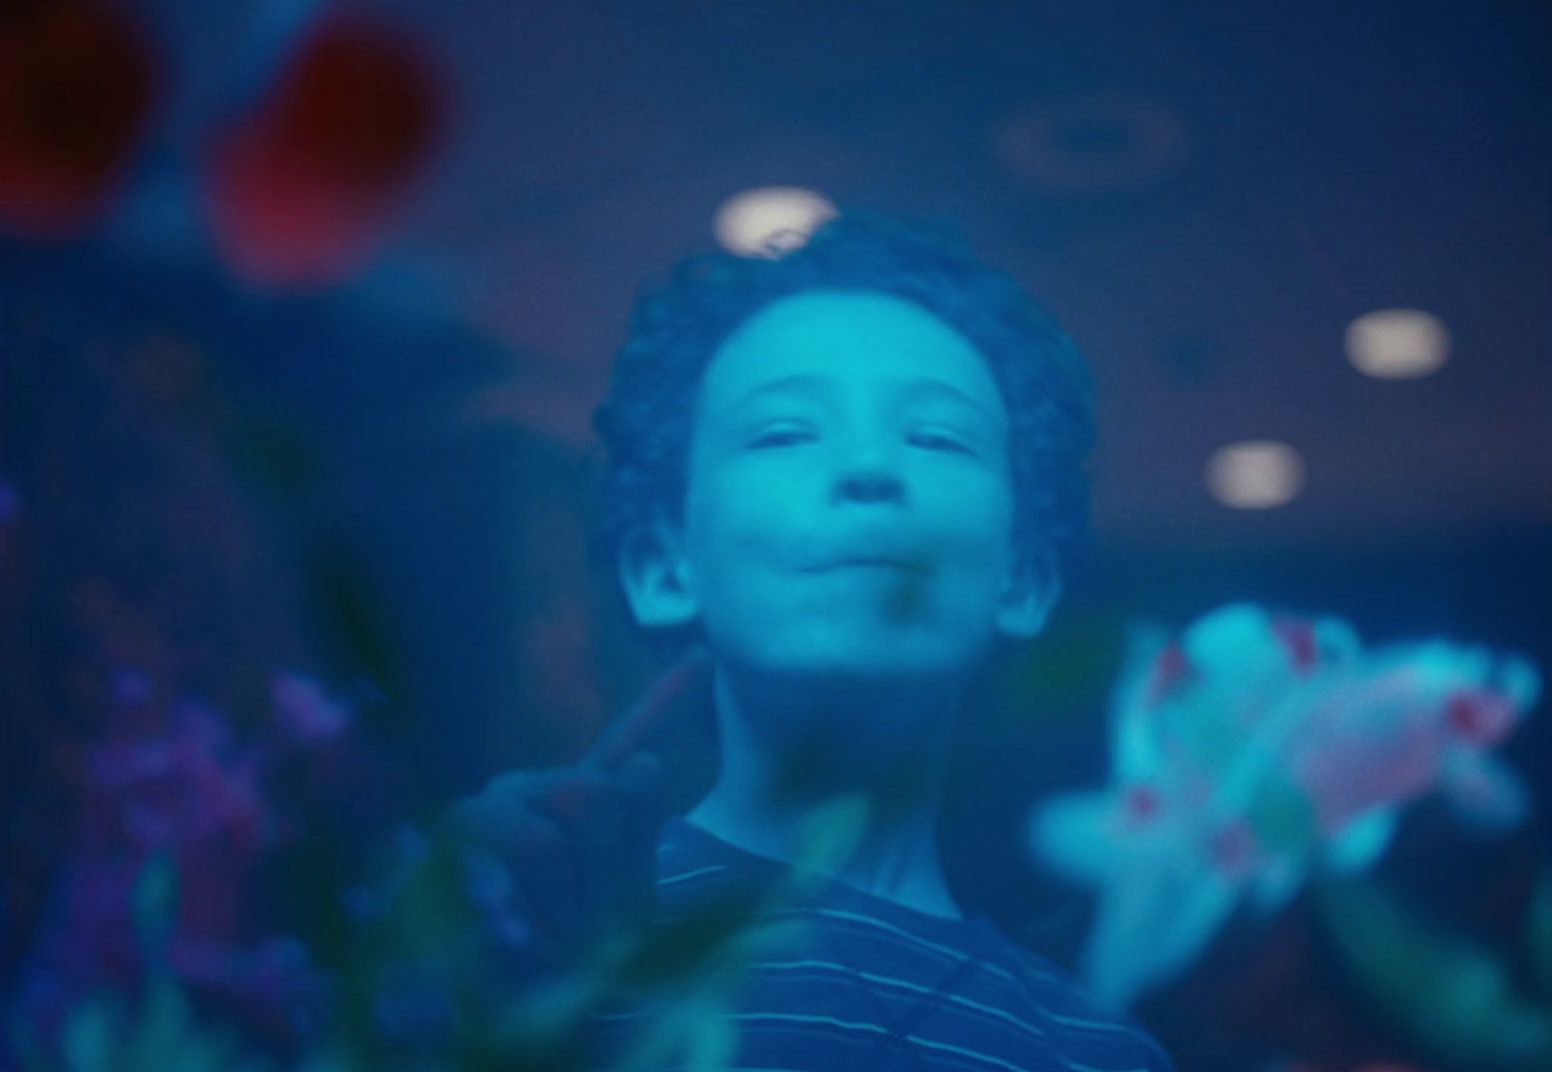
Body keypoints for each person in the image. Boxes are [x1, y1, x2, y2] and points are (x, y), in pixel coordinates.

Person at [443, 211, 1175, 1071]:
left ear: (1023, 580)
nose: (869, 467)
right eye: (783, 432)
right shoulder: (547, 918)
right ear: (664, 564)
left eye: (937, 436)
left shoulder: (1097, 1055)